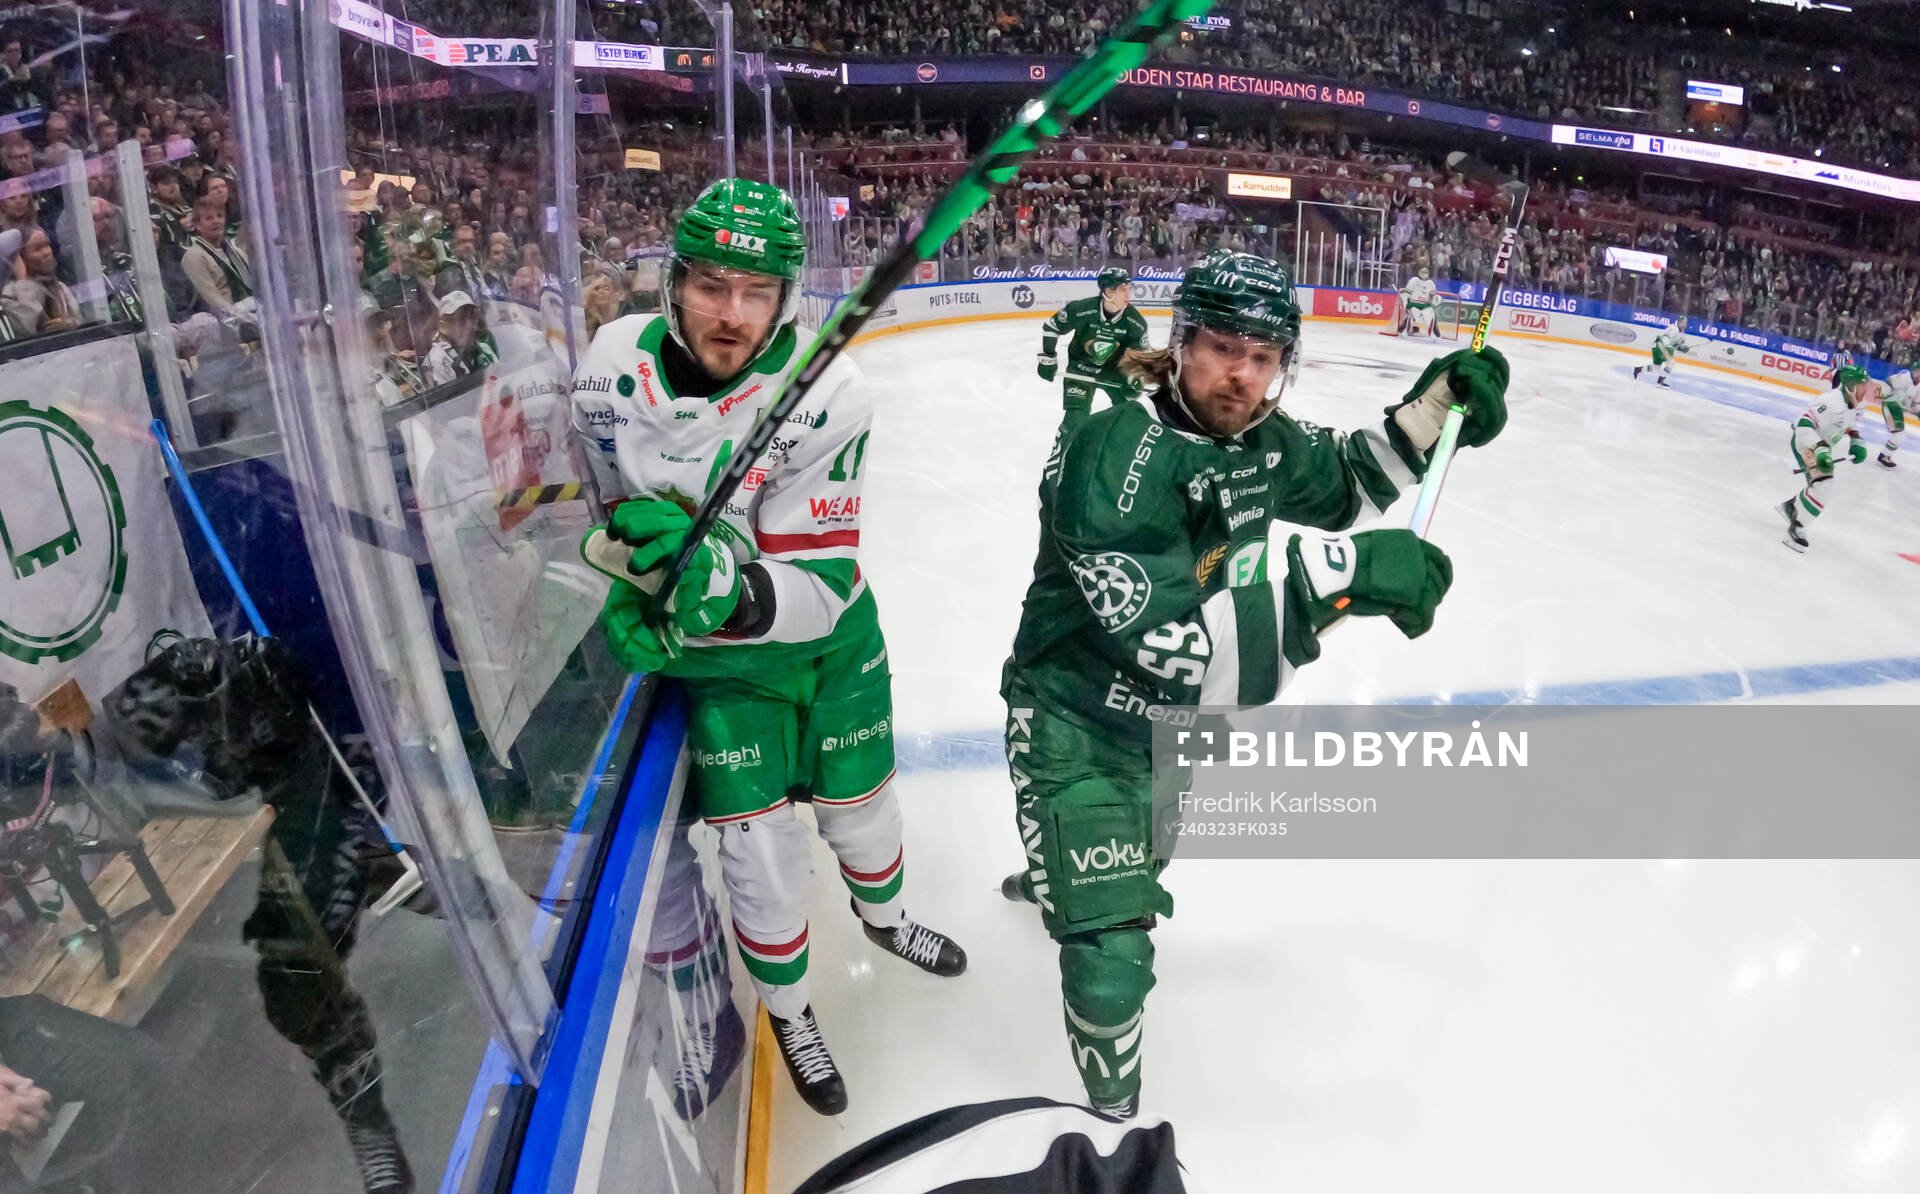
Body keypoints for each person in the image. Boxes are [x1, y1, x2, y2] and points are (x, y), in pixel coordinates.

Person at [998, 249, 1508, 1116]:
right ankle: (1115, 1126)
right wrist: (1342, 578)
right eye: (1223, 348)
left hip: (1172, 728)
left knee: (1141, 857)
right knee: (1114, 960)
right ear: (1183, 339)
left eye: (1264, 356)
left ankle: (1053, 870)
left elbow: (1348, 477)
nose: (1242, 374)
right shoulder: (1110, 452)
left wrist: (1431, 413)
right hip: (1073, 714)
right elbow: (1181, 647)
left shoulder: (1258, 437)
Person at [570, 178, 966, 1117]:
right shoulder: (608, 371)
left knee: (863, 814)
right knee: (760, 856)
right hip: (717, 669)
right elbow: (600, 504)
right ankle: (788, 1010)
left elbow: (822, 588)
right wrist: (624, 559)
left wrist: (715, 588)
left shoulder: (828, 394)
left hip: (826, 648)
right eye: (711, 285)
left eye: (757, 293)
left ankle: (886, 917)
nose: (732, 315)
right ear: (671, 282)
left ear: (788, 298)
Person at [1037, 265, 1150, 437]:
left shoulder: (1136, 323)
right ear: (1108, 291)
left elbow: (1137, 356)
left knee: (1127, 420)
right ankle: (1062, 454)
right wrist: (1048, 358)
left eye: (1129, 289)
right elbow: (1051, 327)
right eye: (1122, 289)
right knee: (1074, 421)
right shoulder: (1081, 309)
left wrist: (1133, 378)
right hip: (1080, 369)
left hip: (1114, 372)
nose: (1128, 294)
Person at [1779, 364, 1874, 552]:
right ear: (1849, 385)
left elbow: (1849, 423)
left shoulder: (1856, 404)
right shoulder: (1829, 401)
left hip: (1821, 447)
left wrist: (1856, 439)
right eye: (1862, 385)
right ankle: (1796, 527)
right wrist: (1819, 447)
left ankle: (1792, 507)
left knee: (1821, 485)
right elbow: (1804, 425)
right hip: (1806, 443)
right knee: (1823, 485)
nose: (1865, 390)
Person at [180, 195, 254, 320]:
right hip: (224, 320)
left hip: (252, 309)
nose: (216, 221)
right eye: (209, 218)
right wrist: (245, 318)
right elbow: (211, 299)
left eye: (220, 216)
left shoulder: (237, 252)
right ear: (197, 225)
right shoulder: (193, 256)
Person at [1, 227, 81, 336]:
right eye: (38, 249)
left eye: (47, 245)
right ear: (20, 258)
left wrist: (71, 324)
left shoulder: (61, 288)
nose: (47, 252)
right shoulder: (8, 295)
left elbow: (80, 322)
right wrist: (23, 281)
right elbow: (25, 330)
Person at [420, 290, 496, 387]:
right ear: (445, 325)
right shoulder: (438, 360)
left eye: (471, 316)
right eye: (461, 319)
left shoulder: (483, 349)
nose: (469, 325)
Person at [1633, 317, 1689, 387]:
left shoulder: (1681, 333)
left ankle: (1638, 369)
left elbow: (1673, 344)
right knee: (1671, 363)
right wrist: (1677, 346)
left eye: (1685, 323)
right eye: (1682, 322)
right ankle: (1660, 381)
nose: (1684, 324)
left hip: (1658, 347)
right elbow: (1666, 340)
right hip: (1659, 346)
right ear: (1678, 322)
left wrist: (1681, 348)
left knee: (1656, 368)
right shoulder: (1673, 329)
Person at [1877, 364, 1912, 469]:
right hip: (1890, 405)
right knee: (1899, 434)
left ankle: (1885, 455)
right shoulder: (1905, 376)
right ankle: (1884, 455)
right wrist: (1883, 394)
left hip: (1897, 409)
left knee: (1900, 434)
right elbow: (1887, 382)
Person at [1399, 264, 1439, 336]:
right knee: (1411, 316)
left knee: (1431, 316)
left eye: (1426, 273)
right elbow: (1406, 293)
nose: (1424, 275)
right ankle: (1403, 329)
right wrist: (1404, 302)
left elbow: (1433, 296)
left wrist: (1436, 300)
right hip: (1412, 304)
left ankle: (1435, 333)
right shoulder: (1414, 281)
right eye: (1423, 273)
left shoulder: (1431, 283)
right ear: (1419, 273)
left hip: (1424, 305)